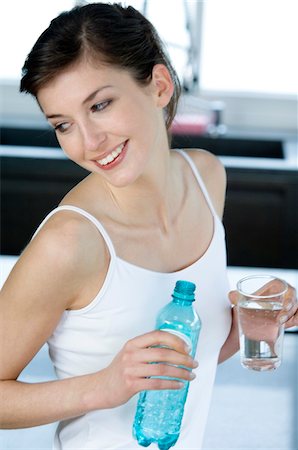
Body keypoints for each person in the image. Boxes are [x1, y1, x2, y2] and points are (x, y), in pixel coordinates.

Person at [0, 3, 297, 449]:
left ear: (159, 86)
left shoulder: (206, 178)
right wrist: (103, 385)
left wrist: (253, 323)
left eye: (100, 105)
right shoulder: (71, 242)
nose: (88, 143)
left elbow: (187, 365)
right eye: (63, 125)